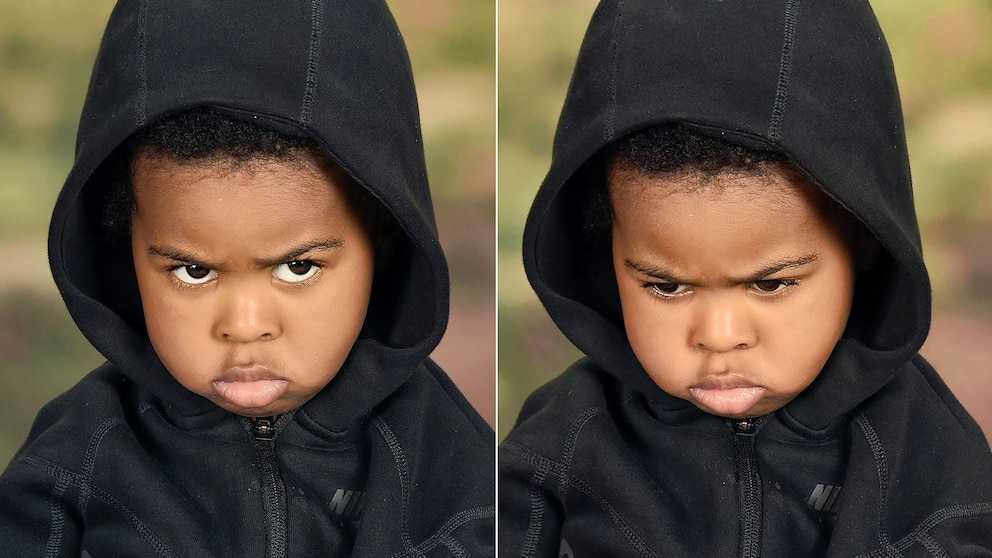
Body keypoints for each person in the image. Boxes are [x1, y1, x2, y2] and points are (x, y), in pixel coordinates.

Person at [0, 2, 494, 556]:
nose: (244, 326)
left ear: (382, 242)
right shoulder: (75, 458)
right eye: (193, 271)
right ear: (125, 244)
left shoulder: (449, 458)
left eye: (298, 267)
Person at [499, 1, 992, 556]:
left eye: (770, 284)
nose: (720, 333)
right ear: (604, 250)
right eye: (666, 286)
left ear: (864, 249)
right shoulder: (566, 435)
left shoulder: (920, 442)